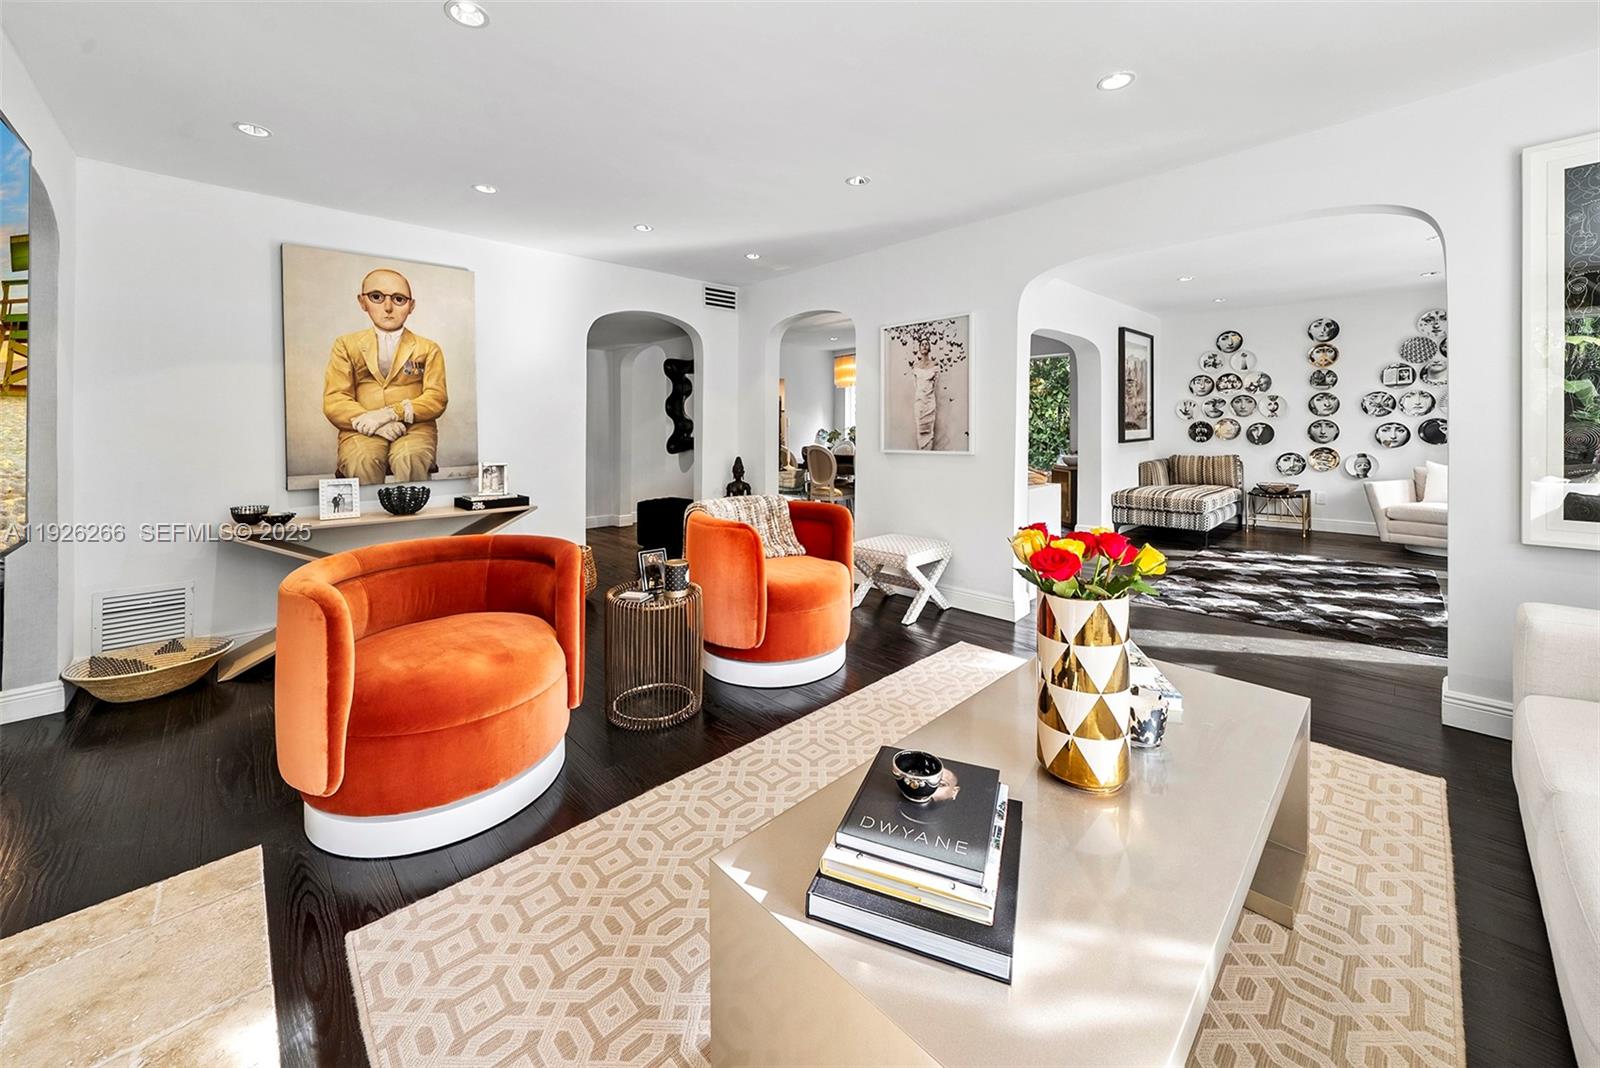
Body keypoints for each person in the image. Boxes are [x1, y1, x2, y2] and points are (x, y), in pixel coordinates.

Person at [322, 268, 449, 484]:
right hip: (360, 430)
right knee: (362, 461)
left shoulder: (428, 348)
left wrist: (392, 413)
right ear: (363, 302)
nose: (388, 307)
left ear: (411, 306)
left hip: (415, 430)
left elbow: (436, 398)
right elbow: (335, 399)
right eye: (377, 297)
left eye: (398, 299)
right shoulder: (346, 345)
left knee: (410, 459)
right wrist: (374, 422)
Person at [913, 339, 938, 450]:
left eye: (926, 344)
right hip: (919, 402)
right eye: (922, 344)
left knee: (929, 430)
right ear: (919, 348)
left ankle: (929, 453)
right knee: (920, 429)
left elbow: (935, 385)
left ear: (929, 348)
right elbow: (915, 385)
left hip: (930, 402)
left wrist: (928, 396)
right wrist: (921, 397)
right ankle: (921, 453)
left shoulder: (934, 365)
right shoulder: (916, 366)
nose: (924, 346)